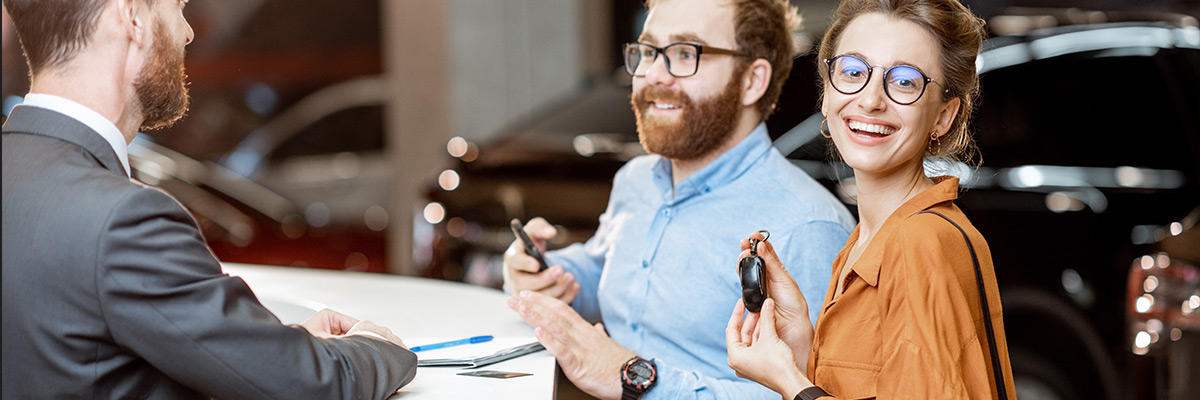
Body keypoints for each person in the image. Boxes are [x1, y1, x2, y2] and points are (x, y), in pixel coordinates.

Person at [1, 0, 416, 398]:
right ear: (131, 16)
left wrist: (272, 347)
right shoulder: (124, 219)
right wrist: (367, 347)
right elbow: (315, 385)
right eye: (178, 6)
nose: (188, 32)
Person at [503, 0, 856, 399]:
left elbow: (802, 394)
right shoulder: (636, 181)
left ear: (752, 80)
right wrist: (549, 275)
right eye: (649, 52)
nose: (653, 75)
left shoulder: (807, 226)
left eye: (685, 54)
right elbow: (606, 273)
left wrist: (634, 378)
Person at [724, 0, 1016, 398]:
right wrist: (802, 347)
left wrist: (789, 383)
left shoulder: (918, 244)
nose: (871, 99)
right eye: (853, 72)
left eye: (905, 81)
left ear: (944, 116)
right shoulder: (864, 243)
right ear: (826, 94)